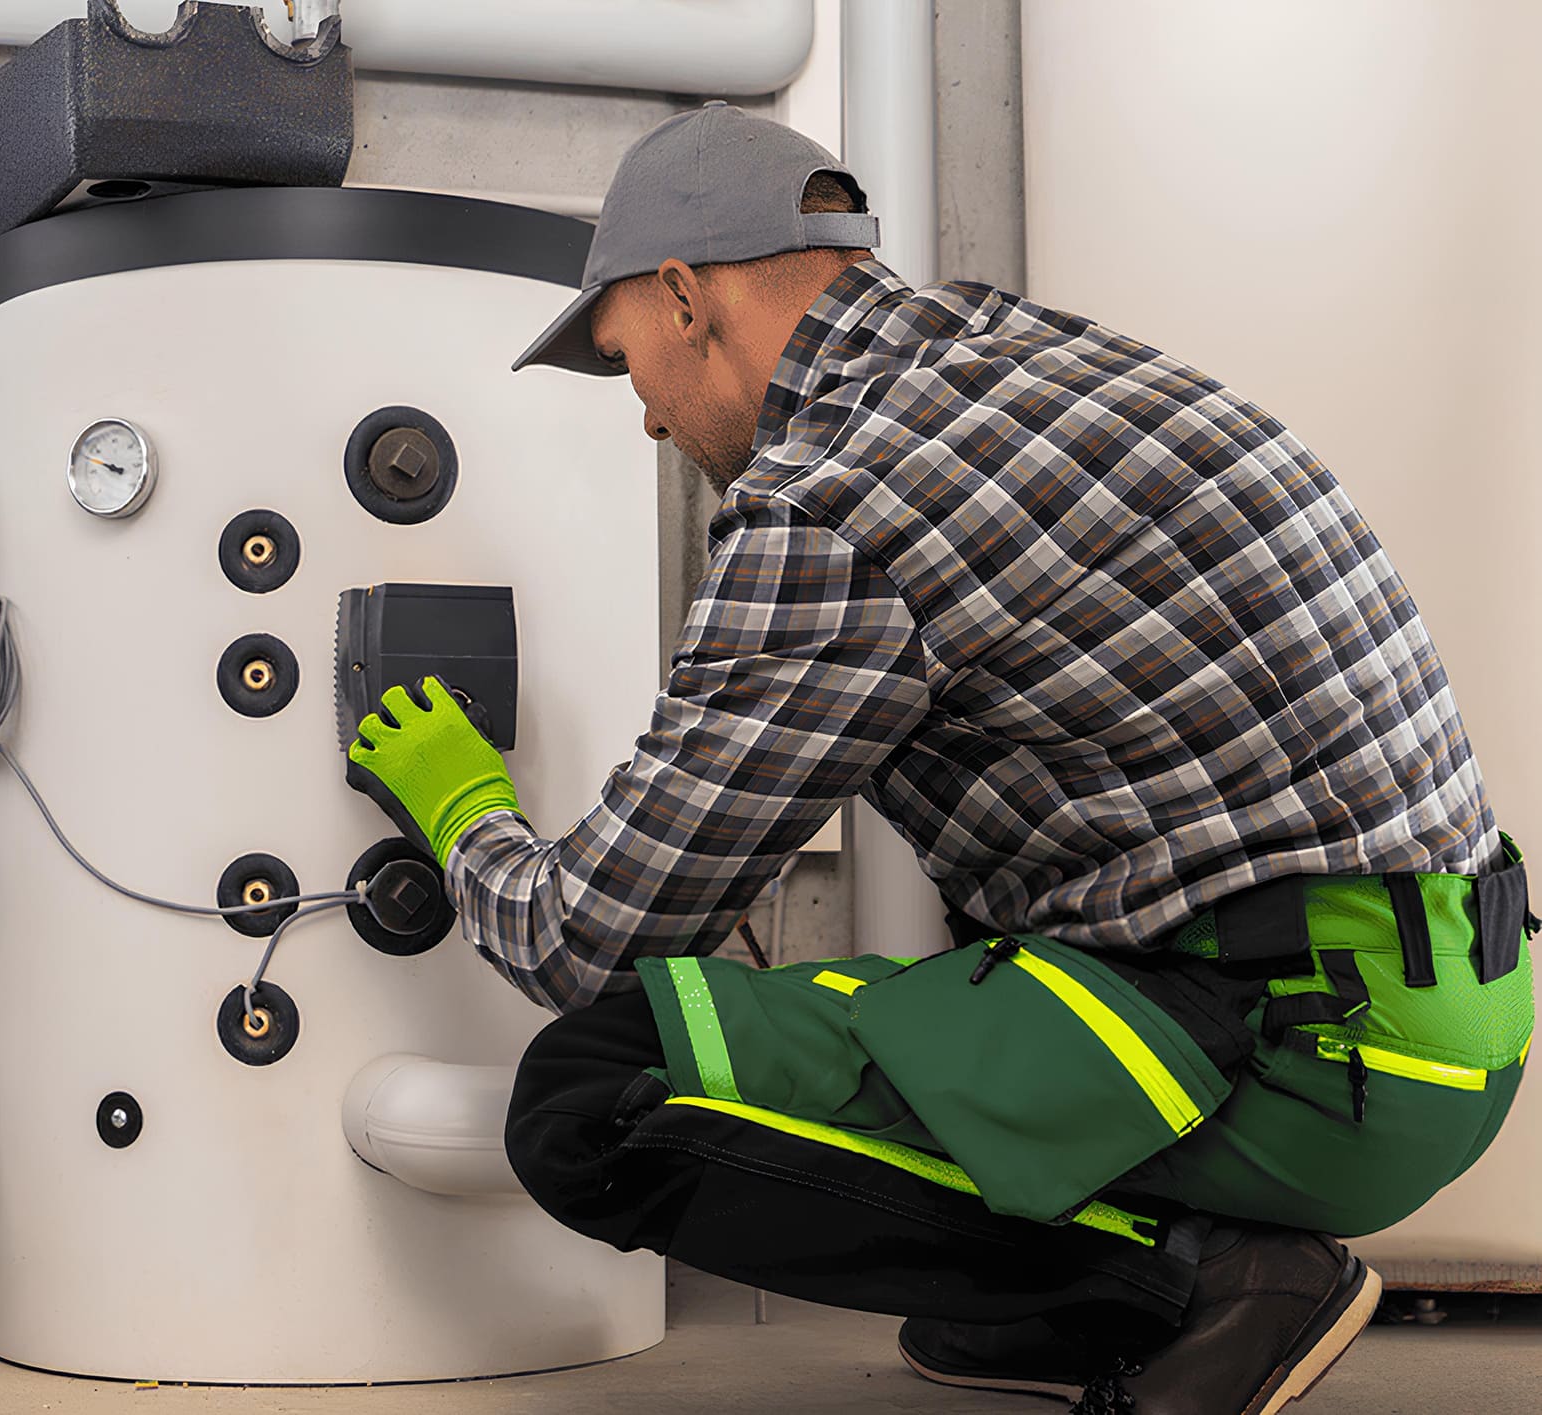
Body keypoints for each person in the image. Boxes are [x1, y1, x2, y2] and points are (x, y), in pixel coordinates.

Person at [342, 103, 1533, 1415]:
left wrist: (466, 808)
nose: (648, 423)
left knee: (586, 1095)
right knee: (942, 1106)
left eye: (630, 366)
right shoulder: (1025, 349)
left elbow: (589, 941)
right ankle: (1094, 1294)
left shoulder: (834, 497)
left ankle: (1210, 1281)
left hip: (1307, 1061)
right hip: (1455, 1018)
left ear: (686, 298)